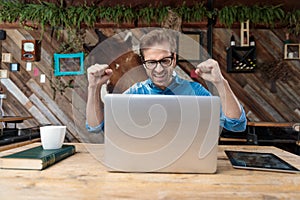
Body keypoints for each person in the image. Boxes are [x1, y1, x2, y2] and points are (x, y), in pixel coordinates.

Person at [86, 29, 247, 133]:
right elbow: (96, 126)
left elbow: (236, 124)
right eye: (151, 62)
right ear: (144, 63)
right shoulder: (134, 93)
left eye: (165, 61)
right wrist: (93, 87)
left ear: (174, 59)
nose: (159, 69)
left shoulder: (195, 92)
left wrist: (221, 82)